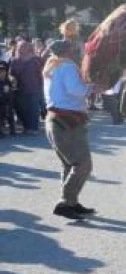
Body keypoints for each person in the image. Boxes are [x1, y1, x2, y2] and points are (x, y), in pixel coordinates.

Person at [42, 37, 95, 220]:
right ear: (68, 52)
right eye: (74, 50)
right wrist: (93, 87)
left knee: (69, 164)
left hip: (55, 120)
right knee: (83, 164)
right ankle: (65, 202)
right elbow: (77, 90)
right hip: (67, 122)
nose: (77, 53)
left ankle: (71, 202)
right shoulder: (68, 67)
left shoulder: (51, 66)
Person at [9, 39, 44, 134]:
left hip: (34, 88)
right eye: (20, 47)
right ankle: (26, 126)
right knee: (22, 109)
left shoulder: (35, 59)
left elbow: (40, 73)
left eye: (24, 47)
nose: (21, 49)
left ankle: (34, 128)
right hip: (20, 89)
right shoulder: (14, 60)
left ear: (28, 48)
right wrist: (12, 78)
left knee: (33, 109)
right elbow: (11, 73)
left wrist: (42, 85)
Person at [0, 61, 16, 135]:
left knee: (9, 111)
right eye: (0, 71)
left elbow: (10, 93)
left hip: (7, 102)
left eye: (3, 71)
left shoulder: (7, 82)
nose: (2, 73)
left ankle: (12, 129)